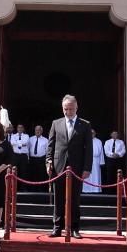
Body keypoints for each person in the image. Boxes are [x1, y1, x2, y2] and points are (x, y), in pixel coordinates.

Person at [45, 94, 93, 238]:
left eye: (71, 109)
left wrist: (87, 168)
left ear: (76, 107)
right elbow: (50, 145)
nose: (68, 112)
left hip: (77, 168)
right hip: (58, 167)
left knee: (74, 199)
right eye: (65, 109)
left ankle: (74, 228)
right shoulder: (56, 123)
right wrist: (48, 161)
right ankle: (57, 227)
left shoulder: (85, 124)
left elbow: (88, 149)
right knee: (58, 198)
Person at [83, 129, 103, 194]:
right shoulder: (85, 140)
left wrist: (101, 162)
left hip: (96, 161)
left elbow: (101, 152)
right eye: (90, 133)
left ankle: (96, 189)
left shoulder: (98, 141)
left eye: (93, 133)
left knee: (96, 175)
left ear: (95, 134)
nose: (92, 134)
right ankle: (87, 190)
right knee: (87, 176)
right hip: (87, 160)